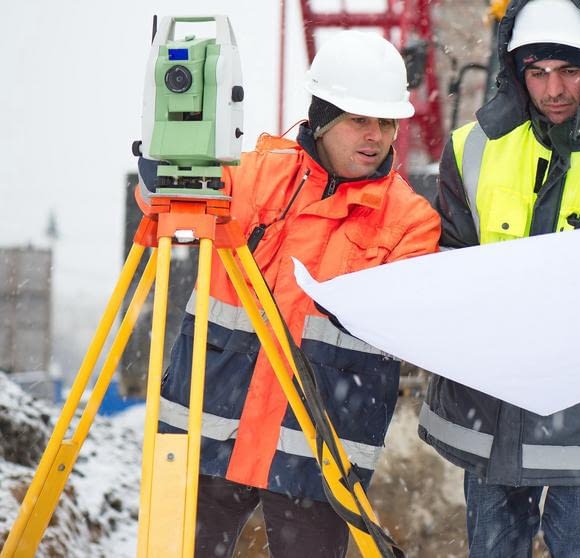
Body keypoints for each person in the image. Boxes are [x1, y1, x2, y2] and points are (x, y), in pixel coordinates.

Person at [137, 30, 440, 557]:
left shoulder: (411, 221)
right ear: (322, 116)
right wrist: (156, 176)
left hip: (318, 452)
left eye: (386, 122)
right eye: (358, 119)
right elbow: (164, 206)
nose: (375, 136)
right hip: (209, 429)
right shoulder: (252, 172)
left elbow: (414, 327)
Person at [416, 0, 580, 555]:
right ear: (516, 72)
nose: (553, 90)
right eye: (537, 73)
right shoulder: (470, 148)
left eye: (569, 71)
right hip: (491, 418)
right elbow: (450, 266)